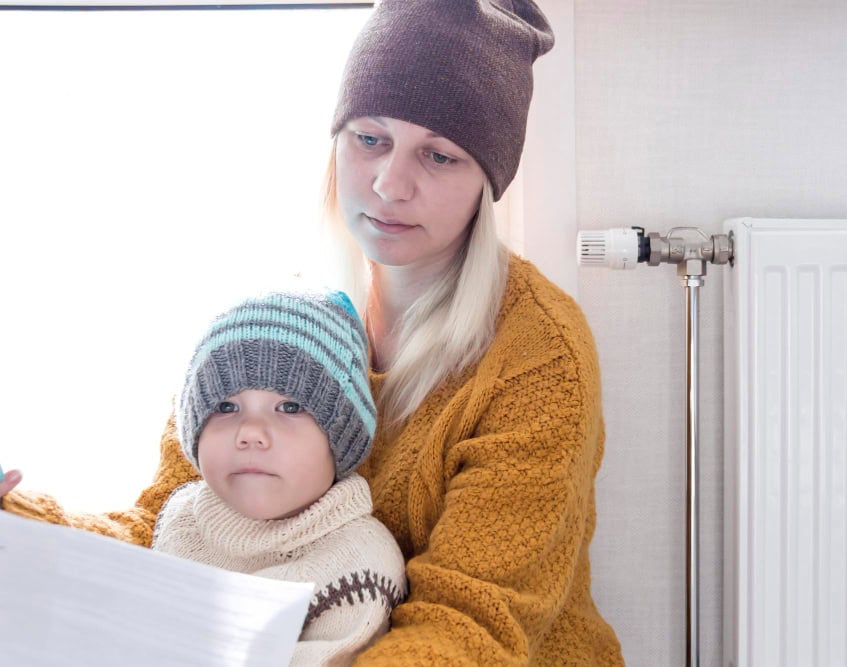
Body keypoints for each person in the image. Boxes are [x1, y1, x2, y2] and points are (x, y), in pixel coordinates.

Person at [2, 0, 626, 663]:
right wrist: (20, 522)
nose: (390, 183)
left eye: (439, 156)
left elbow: (472, 624)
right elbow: (170, 525)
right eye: (370, 138)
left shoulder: (538, 354)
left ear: (487, 181)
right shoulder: (274, 324)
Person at [152, 290, 407, 666]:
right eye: (226, 407)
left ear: (340, 437)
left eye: (289, 407)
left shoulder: (359, 564)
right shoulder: (180, 519)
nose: (250, 431)